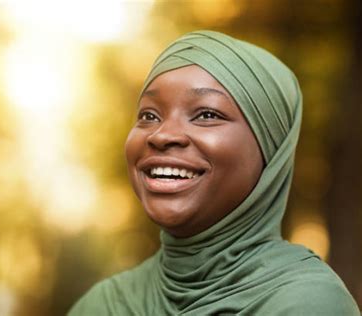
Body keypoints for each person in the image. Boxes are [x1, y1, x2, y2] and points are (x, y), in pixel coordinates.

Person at [69, 30, 360, 315]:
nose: (161, 135)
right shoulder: (101, 305)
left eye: (207, 114)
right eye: (149, 115)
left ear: (271, 151)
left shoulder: (308, 303)